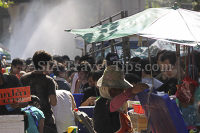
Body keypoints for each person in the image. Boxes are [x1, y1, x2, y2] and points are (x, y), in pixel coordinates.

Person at [93, 65, 149, 133]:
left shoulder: (122, 105)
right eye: (114, 89)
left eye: (120, 88)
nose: (119, 91)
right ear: (106, 89)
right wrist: (131, 92)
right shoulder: (101, 103)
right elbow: (113, 105)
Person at [20, 50, 57, 133]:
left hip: (28, 119)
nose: (50, 65)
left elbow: (21, 99)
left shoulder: (23, 78)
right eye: (49, 63)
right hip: (46, 119)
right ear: (43, 64)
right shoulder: (49, 81)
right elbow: (53, 102)